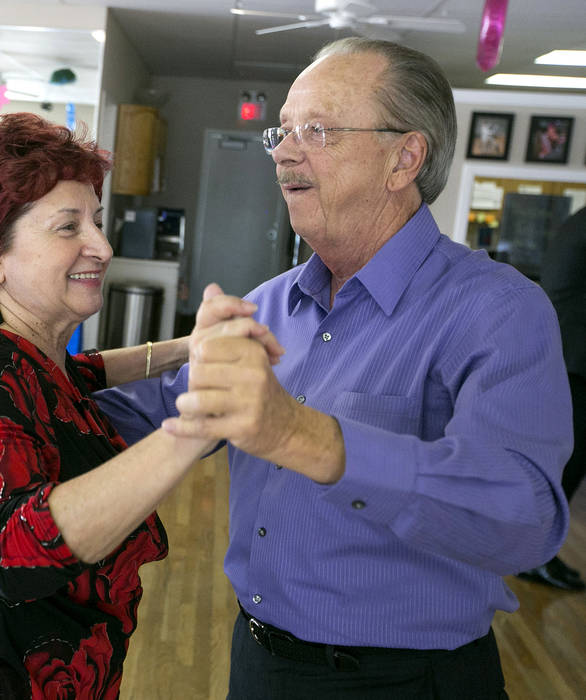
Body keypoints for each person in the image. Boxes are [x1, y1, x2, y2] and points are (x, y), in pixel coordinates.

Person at [95, 38, 572, 698]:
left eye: (316, 131)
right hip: (258, 662)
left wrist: (299, 435)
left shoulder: (498, 310)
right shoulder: (269, 303)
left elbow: (525, 520)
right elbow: (153, 415)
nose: (283, 153)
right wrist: (15, 361)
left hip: (405, 683)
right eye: (283, 131)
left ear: (404, 158)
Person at [0, 113, 282, 698]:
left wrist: (184, 348)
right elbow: (10, 549)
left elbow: (76, 376)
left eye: (96, 222)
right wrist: (194, 427)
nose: (102, 246)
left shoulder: (12, 349)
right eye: (67, 227)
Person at [522, 205, 586, 591]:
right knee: (566, 465)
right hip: (578, 357)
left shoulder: (577, 220)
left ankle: (540, 552)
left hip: (571, 352)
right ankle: (536, 556)